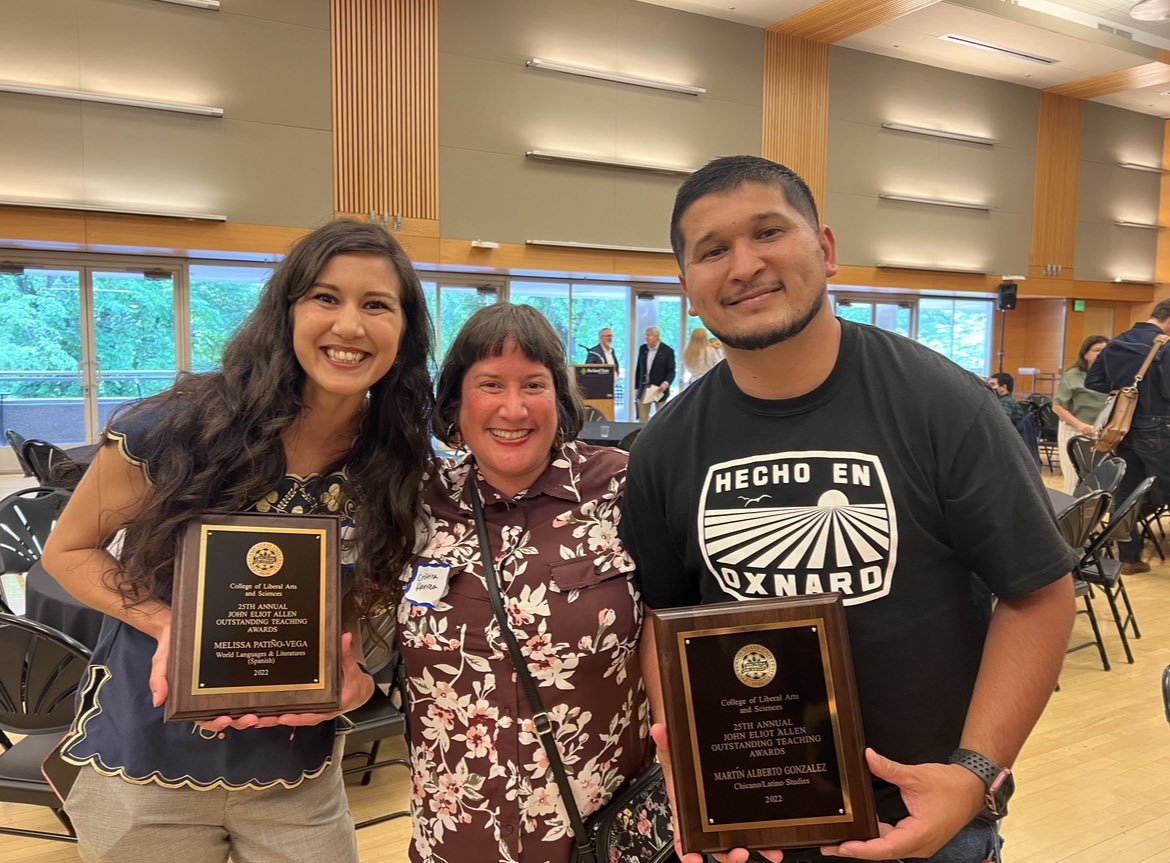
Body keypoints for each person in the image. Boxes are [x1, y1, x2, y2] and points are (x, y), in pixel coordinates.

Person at [623, 155, 1077, 863]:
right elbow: (663, 618)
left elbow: (1040, 593)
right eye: (713, 250)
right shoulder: (663, 447)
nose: (744, 265)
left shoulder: (945, 405)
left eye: (768, 231)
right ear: (687, 286)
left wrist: (975, 775)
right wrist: (689, 761)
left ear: (826, 250)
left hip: (927, 826)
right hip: (753, 835)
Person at [41, 220, 436, 863]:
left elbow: (359, 601)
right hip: (143, 760)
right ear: (285, 311)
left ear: (406, 330)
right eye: (325, 297)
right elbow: (68, 550)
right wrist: (172, 626)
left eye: (377, 305)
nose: (350, 326)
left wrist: (353, 676)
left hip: (296, 774)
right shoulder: (180, 428)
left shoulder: (394, 461)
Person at [398, 303, 651, 863]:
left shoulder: (621, 488)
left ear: (559, 401)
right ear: (456, 404)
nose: (512, 408)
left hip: (602, 829)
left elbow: (674, 621)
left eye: (534, 384)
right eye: (489, 384)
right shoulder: (414, 499)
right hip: (458, 831)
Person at [1086, 300, 1170, 574]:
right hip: (1158, 427)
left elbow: (1093, 382)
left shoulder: (1117, 343)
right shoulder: (1164, 345)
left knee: (1127, 493)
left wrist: (1123, 392)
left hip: (1122, 429)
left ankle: (1128, 558)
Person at [1053, 335, 1109, 494]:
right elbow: (1057, 407)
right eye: (1097, 350)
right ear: (1085, 354)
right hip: (1074, 430)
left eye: (1105, 351)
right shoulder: (1072, 375)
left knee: (1098, 482)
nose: (1101, 354)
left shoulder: (1113, 375)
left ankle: (1091, 517)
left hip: (1103, 434)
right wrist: (1080, 425)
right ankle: (1068, 515)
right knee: (1074, 479)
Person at [635, 325, 676, 422]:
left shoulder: (667, 351)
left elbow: (671, 371)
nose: (646, 337)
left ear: (656, 337)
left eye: (649, 335)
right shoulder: (643, 349)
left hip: (659, 389)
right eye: (646, 335)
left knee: (661, 419)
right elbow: (639, 369)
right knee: (642, 418)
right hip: (645, 388)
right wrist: (636, 388)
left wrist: (666, 383)